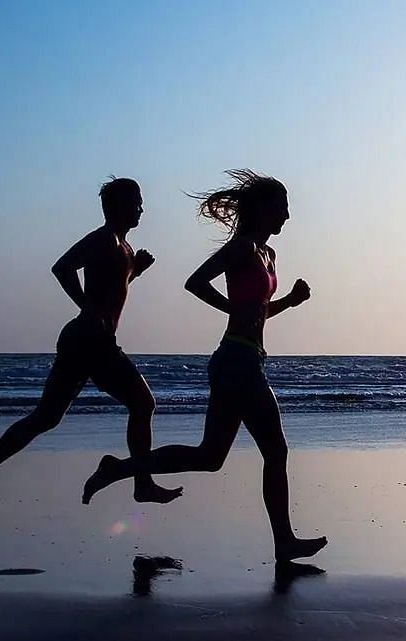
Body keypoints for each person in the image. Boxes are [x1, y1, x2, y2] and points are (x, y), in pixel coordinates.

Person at [82, 170, 327, 562]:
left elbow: (257, 313)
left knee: (209, 458)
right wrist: (234, 309)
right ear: (263, 209)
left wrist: (289, 302)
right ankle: (284, 542)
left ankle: (120, 468)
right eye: (282, 208)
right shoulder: (243, 248)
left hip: (244, 359)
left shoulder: (269, 254)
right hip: (237, 363)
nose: (287, 216)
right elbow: (195, 282)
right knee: (276, 451)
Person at [0, 178, 182, 513]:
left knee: (46, 417)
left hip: (88, 341)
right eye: (136, 202)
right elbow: (62, 267)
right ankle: (143, 484)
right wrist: (87, 308)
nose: (141, 208)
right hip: (89, 341)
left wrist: (135, 271)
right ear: (117, 206)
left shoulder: (122, 247)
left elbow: (109, 288)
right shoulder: (102, 239)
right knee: (142, 404)